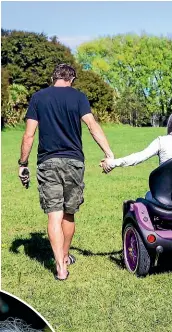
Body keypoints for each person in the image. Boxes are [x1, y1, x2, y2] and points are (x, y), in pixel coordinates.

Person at [18, 64, 114, 281]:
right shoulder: (79, 97)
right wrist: (109, 153)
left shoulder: (38, 97)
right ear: (72, 79)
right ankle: (64, 255)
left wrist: (22, 163)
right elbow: (92, 126)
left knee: (54, 214)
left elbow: (29, 135)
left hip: (47, 162)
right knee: (68, 213)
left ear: (53, 77)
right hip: (73, 162)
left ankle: (60, 267)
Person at [100, 109, 172, 183]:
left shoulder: (161, 141)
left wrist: (112, 163)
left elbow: (138, 157)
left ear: (171, 124)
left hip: (162, 198)